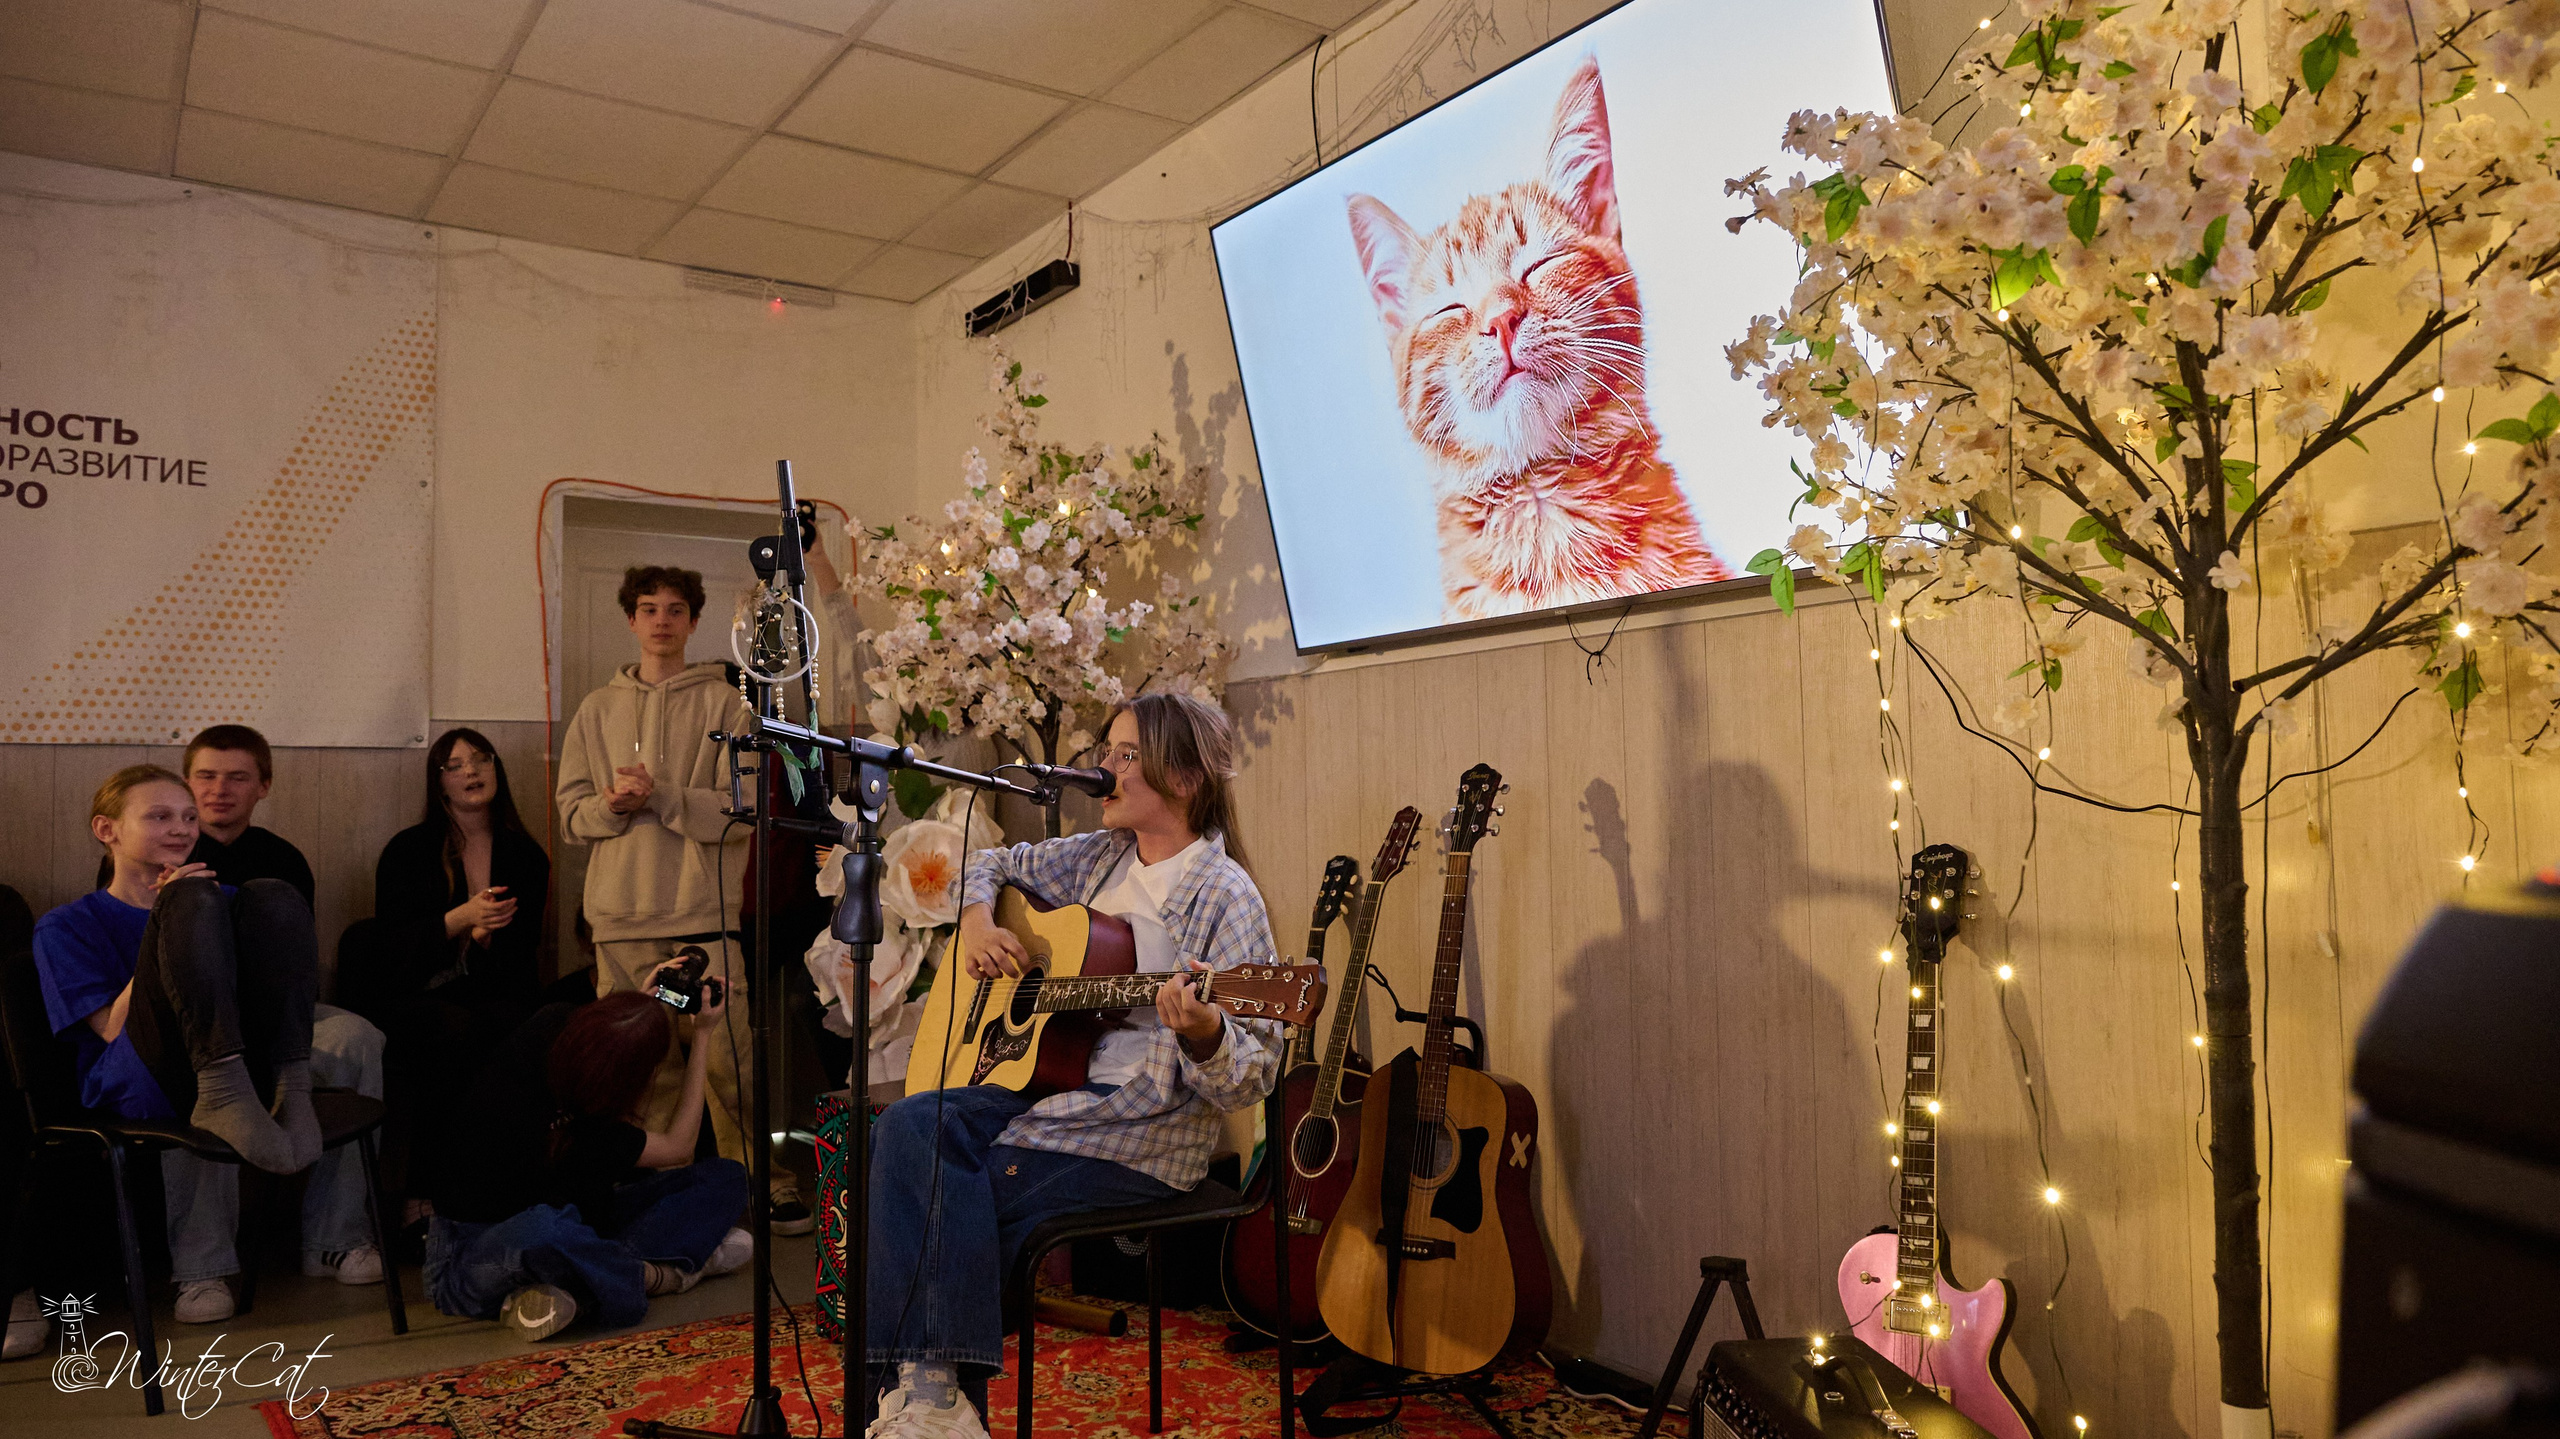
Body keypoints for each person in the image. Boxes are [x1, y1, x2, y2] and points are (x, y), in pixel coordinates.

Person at [861, 693, 1283, 1439]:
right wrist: (980, 921)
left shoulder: (1225, 895)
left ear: (1183, 778)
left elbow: (1252, 1077)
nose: (1103, 770)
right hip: (1047, 1097)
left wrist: (1207, 1032)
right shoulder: (1101, 856)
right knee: (904, 1125)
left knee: (934, 1190)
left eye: (1126, 756)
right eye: (1107, 752)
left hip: (1141, 1131)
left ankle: (921, 1405)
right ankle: (931, 1404)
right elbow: (989, 862)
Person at [29, 766, 358, 1326]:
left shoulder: (222, 900)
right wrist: (166, 922)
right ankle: (200, 1272)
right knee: (195, 914)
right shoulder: (68, 925)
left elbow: (270, 997)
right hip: (136, 1075)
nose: (181, 830)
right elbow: (110, 1028)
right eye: (159, 816)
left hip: (231, 1056)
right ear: (106, 830)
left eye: (187, 817)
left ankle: (290, 1084)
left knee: (272, 896)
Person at [554, 567, 804, 1230]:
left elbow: (743, 808)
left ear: (693, 622)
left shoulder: (729, 707)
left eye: (674, 609)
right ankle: (652, 1192)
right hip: (619, 923)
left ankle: (765, 1179)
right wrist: (610, 806)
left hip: (704, 919)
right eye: (647, 608)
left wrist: (661, 796)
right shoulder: (594, 710)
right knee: (636, 1070)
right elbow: (570, 816)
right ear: (630, 620)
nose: (661, 620)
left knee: (730, 1063)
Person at [424, 982, 752, 1341]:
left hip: (582, 1226)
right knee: (547, 1228)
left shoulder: (590, 1100)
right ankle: (667, 1274)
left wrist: (645, 1004)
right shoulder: (543, 1048)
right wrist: (702, 1035)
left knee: (729, 1176)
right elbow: (679, 1147)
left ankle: (580, 1286)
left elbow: (679, 1152)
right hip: (475, 1250)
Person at [355, 728, 551, 1226]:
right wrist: (459, 921)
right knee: (456, 1034)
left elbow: (521, 953)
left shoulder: (526, 855)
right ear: (438, 783)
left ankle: (505, 1193)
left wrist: (486, 940)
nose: (471, 771)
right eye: (455, 765)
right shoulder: (409, 850)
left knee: (533, 1028)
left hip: (494, 990)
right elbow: (388, 953)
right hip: (416, 995)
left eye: (481, 760)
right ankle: (424, 1192)